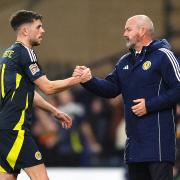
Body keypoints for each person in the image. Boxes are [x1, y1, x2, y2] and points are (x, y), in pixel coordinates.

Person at [74, 15, 180, 180]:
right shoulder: (125, 61)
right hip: (134, 147)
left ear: (142, 31)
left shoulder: (164, 56)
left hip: (158, 145)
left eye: (128, 29)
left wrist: (149, 105)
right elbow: (111, 89)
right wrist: (89, 80)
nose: (124, 33)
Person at [0, 10, 87, 180]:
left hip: (3, 130)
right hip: (15, 129)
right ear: (25, 31)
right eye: (38, 27)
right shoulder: (26, 53)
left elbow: (28, 92)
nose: (43, 31)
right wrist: (78, 79)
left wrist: (54, 111)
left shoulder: (8, 54)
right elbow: (48, 88)